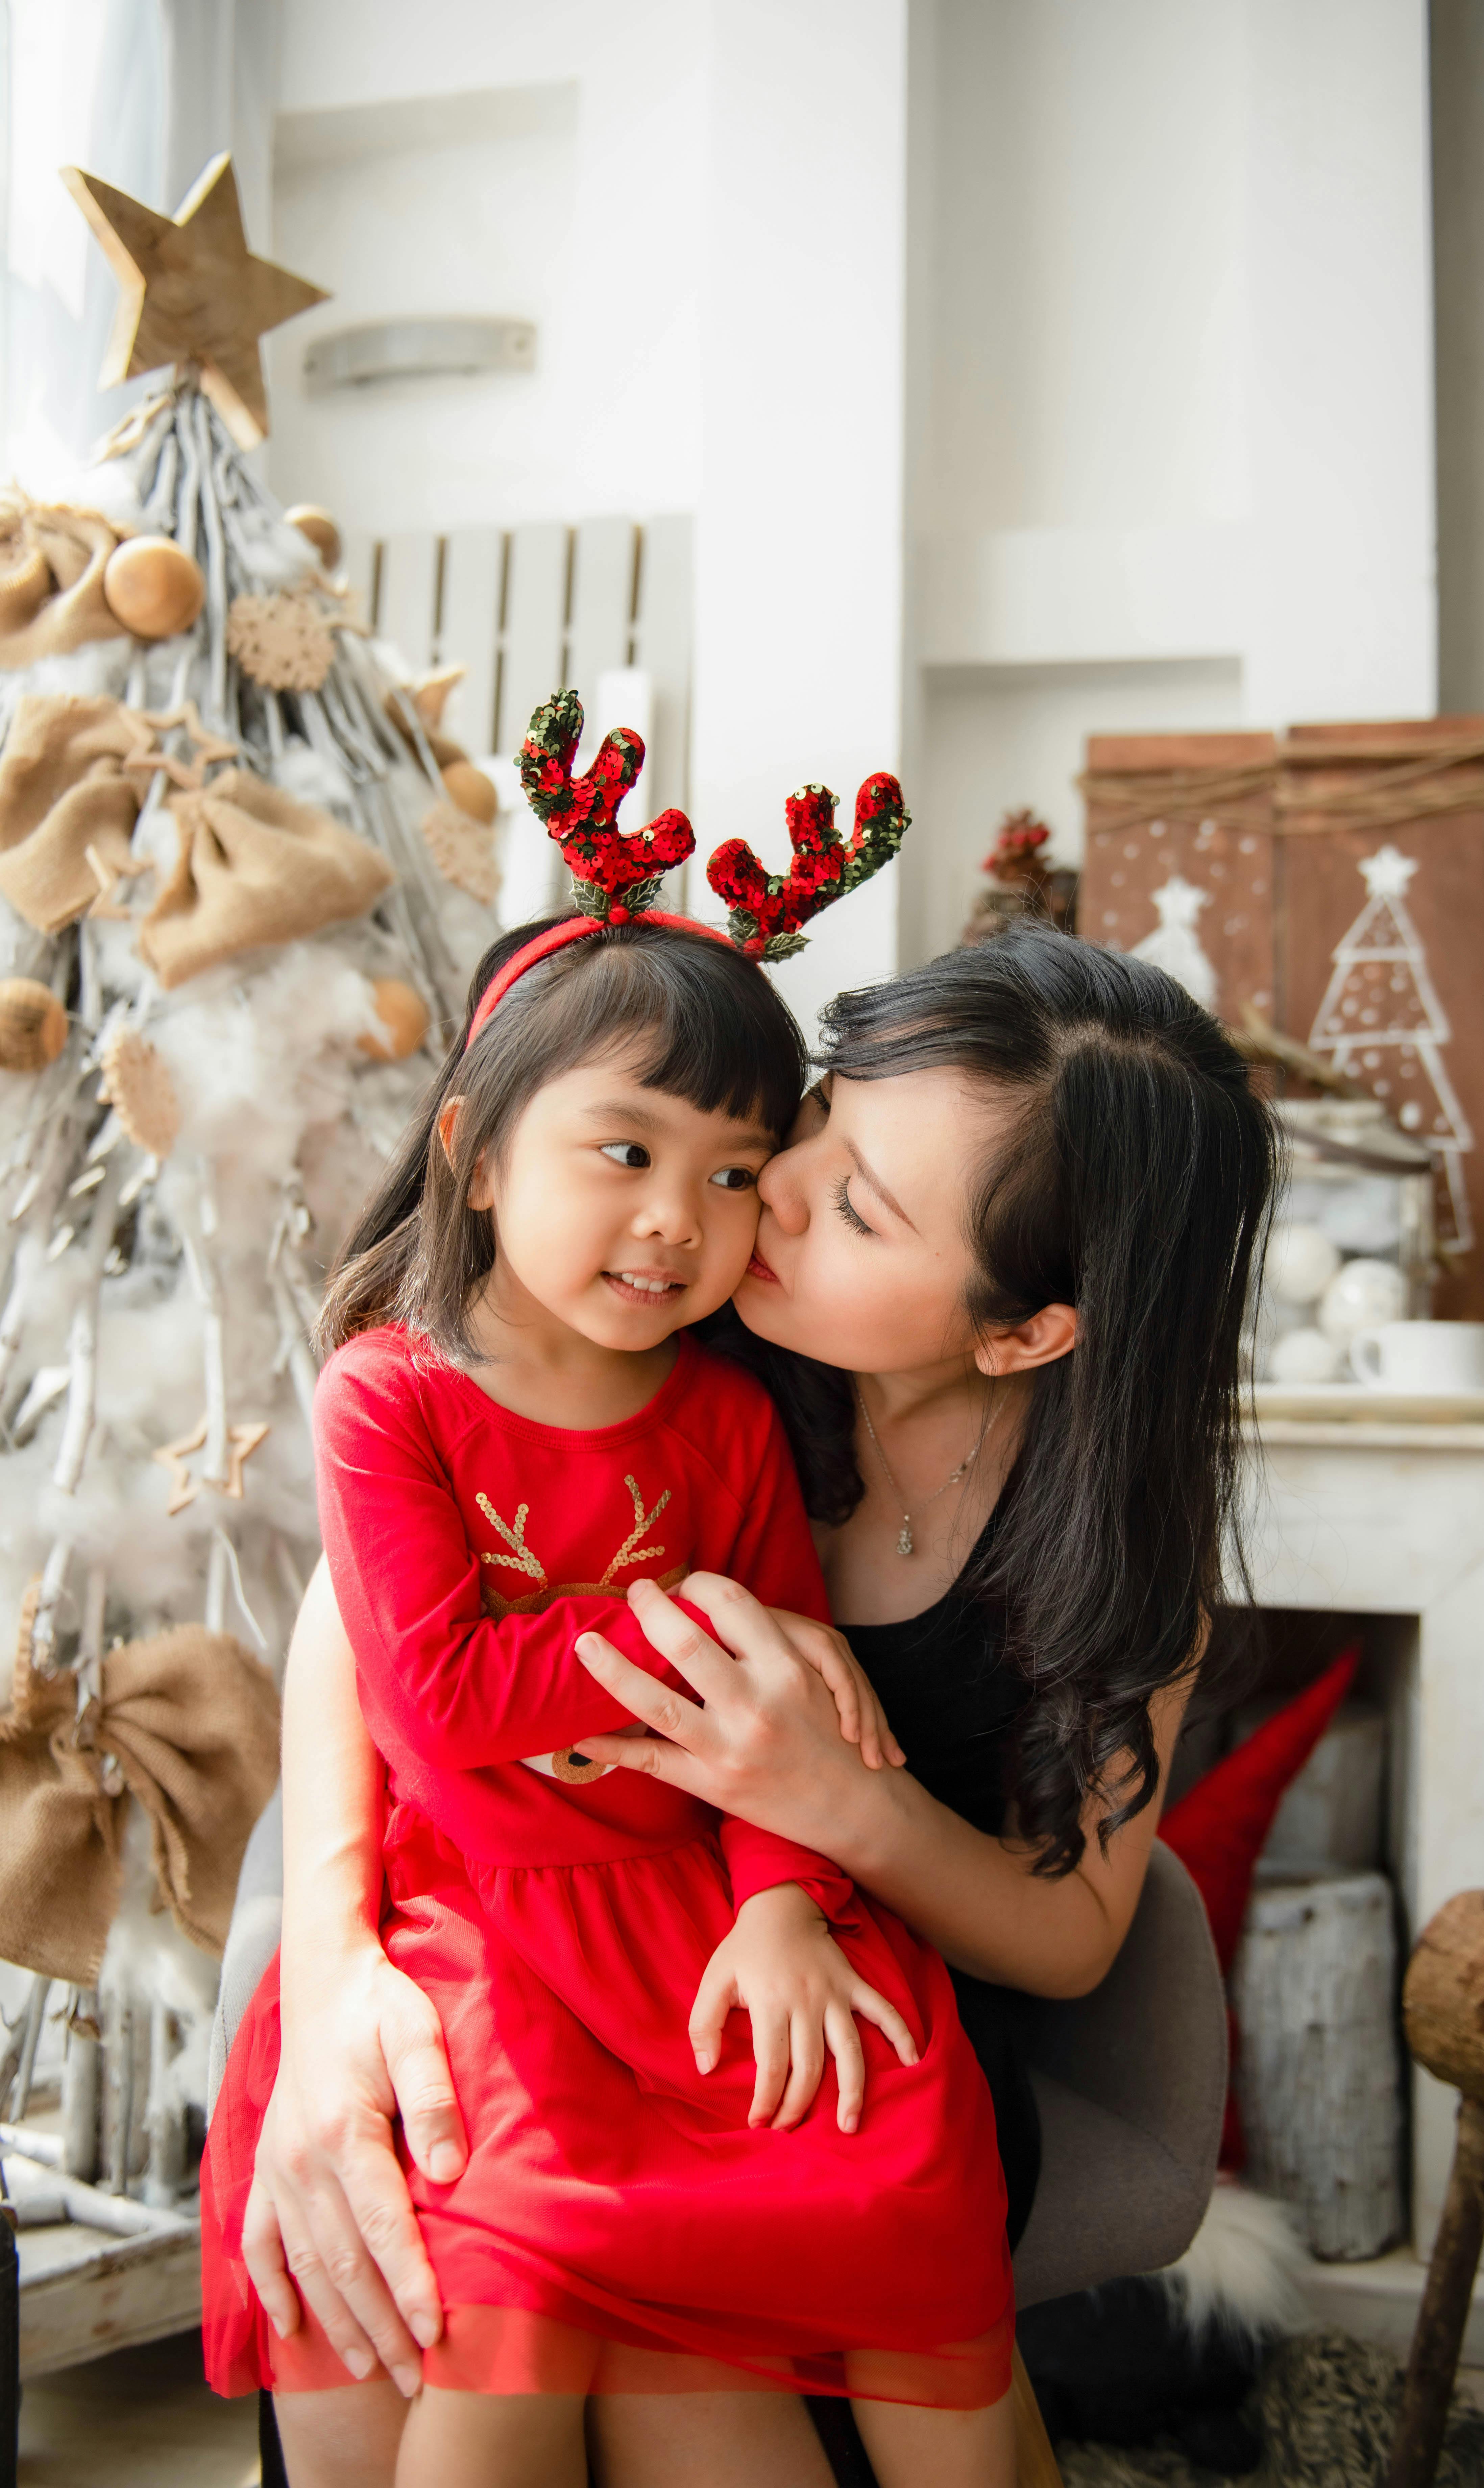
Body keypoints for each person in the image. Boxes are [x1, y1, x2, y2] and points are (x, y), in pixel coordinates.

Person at [239, 919, 1276, 2488]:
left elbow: (1070, 1931)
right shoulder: (682, 1290)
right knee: (433, 2301)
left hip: (829, 2006)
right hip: (520, 1926)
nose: (764, 1195)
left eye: (854, 1203)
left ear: (1021, 1328)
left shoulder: (1110, 1554)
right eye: (822, 1119)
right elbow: (371, 1602)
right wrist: (329, 1968)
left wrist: (835, 1803)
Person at [202, 709, 1018, 2488]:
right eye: (626, 1153)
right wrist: (701, 1632)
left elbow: (795, 1715)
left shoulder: (726, 1411)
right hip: (482, 1923)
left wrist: (789, 1902)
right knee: (492, 2321)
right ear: (478, 1153)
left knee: (873, 2126)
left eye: (737, 1176)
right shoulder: (390, 1394)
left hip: (693, 1907)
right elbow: (439, 1704)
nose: (681, 1221)